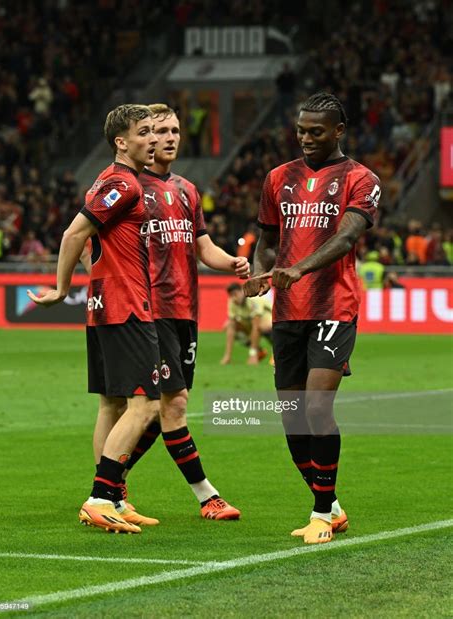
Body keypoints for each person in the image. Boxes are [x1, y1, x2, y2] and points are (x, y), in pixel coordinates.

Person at [86, 103, 250, 521]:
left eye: (176, 129)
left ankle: (109, 487)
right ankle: (203, 496)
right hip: (145, 310)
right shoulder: (127, 186)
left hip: (184, 310)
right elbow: (92, 242)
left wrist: (232, 261)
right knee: (168, 403)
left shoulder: (186, 189)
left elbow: (202, 247)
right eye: (159, 130)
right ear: (144, 137)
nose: (170, 137)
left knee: (159, 408)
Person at [244, 92, 381, 544]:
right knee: (292, 417)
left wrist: (299, 269)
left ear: (338, 131)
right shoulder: (278, 178)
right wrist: (264, 271)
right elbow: (265, 239)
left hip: (332, 306)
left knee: (317, 407)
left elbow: (347, 238)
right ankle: (332, 504)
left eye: (315, 131)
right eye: (301, 130)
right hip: (287, 310)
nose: (305, 138)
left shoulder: (361, 178)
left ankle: (320, 512)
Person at [28, 104, 160, 534]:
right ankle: (102, 496)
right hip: (126, 307)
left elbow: (89, 244)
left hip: (104, 305)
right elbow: (74, 234)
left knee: (113, 403)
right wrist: (62, 288)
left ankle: (116, 499)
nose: (152, 140)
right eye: (144, 133)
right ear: (121, 142)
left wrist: (94, 279)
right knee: (146, 405)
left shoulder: (104, 181)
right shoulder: (123, 184)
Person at [220, 282, 273, 365]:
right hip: (251, 325)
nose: (234, 297)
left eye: (235, 294)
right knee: (229, 326)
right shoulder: (232, 302)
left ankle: (277, 352)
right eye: (231, 295)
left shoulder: (253, 299)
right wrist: (227, 356)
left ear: (242, 291)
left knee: (261, 326)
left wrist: (252, 354)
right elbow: (232, 322)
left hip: (268, 322)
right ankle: (259, 352)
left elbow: (256, 325)